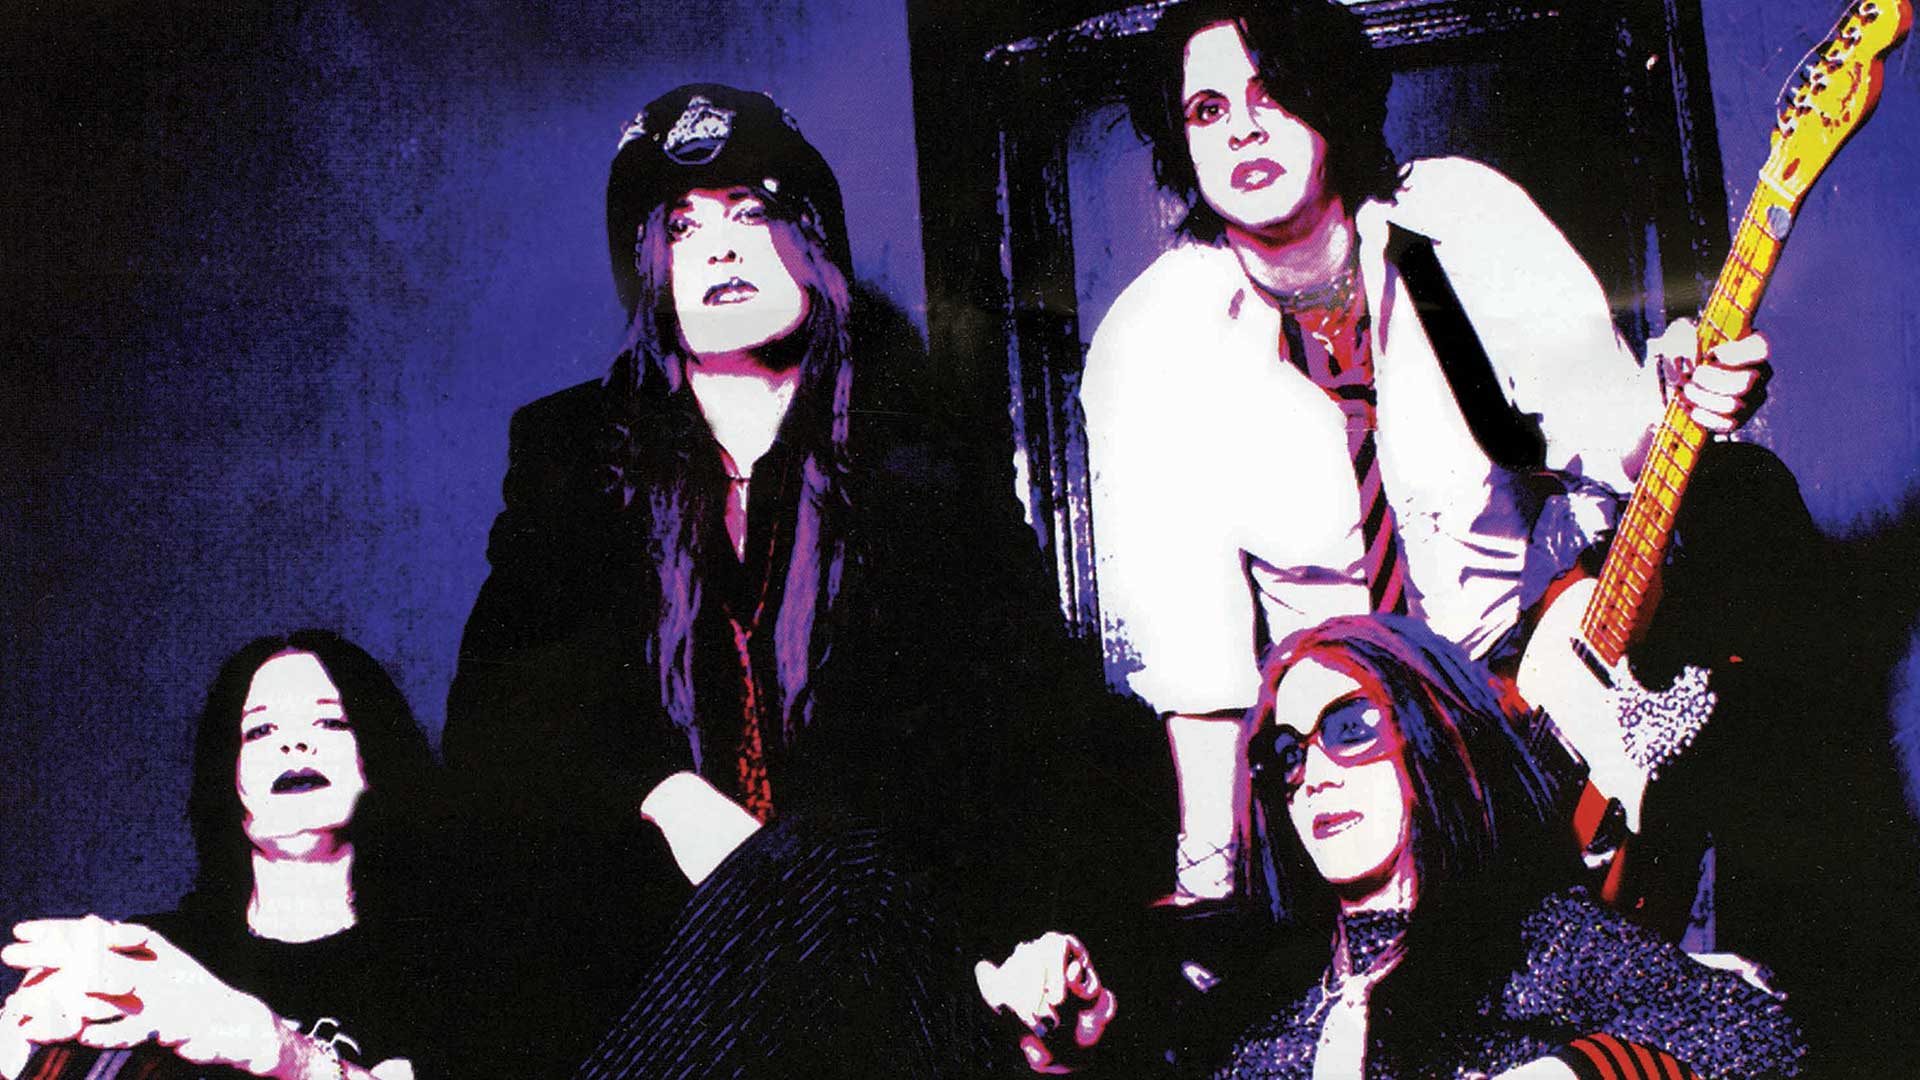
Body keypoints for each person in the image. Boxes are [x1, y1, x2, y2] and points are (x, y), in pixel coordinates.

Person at [444, 84, 1163, 1078]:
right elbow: (497, 733)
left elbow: (1042, 738)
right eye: (682, 227)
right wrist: (665, 795)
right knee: (815, 868)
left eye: (751, 213)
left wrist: (1050, 946)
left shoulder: (923, 458)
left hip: (903, 988)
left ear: (812, 239)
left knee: (839, 865)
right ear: (647, 265)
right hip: (663, 992)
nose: (719, 250)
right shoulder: (573, 457)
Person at [1079, 0, 1774, 909]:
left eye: (1272, 90)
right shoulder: (1157, 343)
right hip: (1342, 753)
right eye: (1207, 110)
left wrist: (1686, 400)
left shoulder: (1456, 226)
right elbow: (1202, 680)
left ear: (1328, 93)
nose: (1243, 127)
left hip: (1529, 707)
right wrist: (1215, 906)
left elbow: (1616, 444)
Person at [1205, 614, 1806, 1078]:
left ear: (1431, 733)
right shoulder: (1261, 1010)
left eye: (1351, 728)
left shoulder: (1535, 938)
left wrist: (1566, 1072)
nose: (1315, 776)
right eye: (1286, 755)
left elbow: (1753, 1032)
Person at [0, 631, 445, 1080]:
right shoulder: (151, 960)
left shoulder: (451, 956)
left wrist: (282, 1051)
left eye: (330, 722)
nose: (293, 745)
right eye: (261, 730)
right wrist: (24, 1049)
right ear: (228, 772)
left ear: (377, 749)